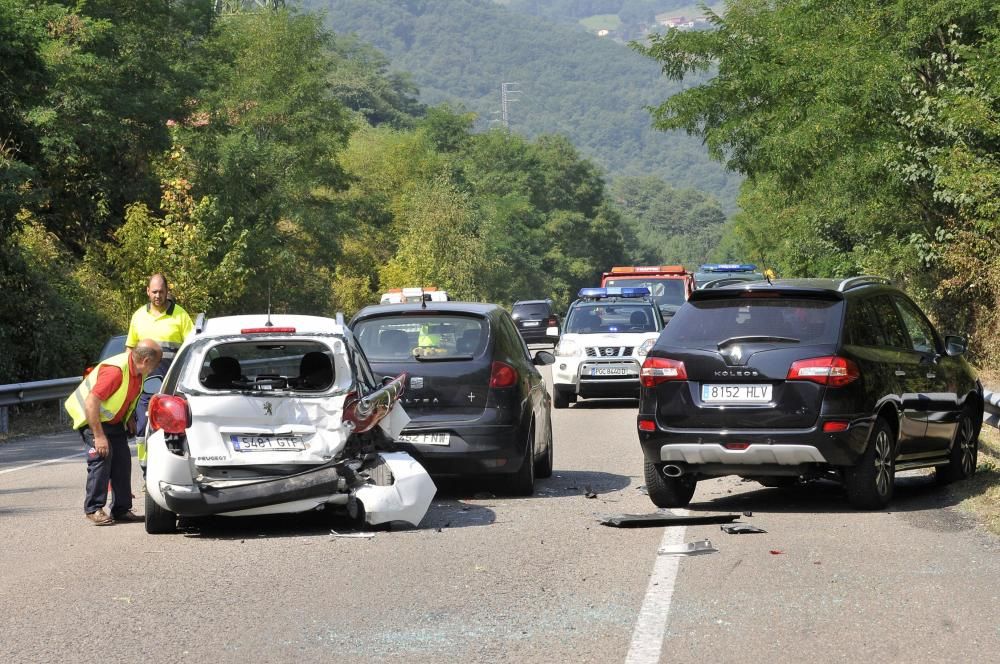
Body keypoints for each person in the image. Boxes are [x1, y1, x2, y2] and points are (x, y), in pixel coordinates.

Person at [64, 339, 163, 525]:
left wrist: (130, 417)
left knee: (122, 462)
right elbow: (91, 402)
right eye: (157, 363)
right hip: (93, 421)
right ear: (146, 361)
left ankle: (121, 509)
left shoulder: (138, 371)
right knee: (101, 458)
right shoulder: (116, 371)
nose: (158, 367)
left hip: (114, 422)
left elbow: (126, 396)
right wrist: (99, 436)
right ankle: (93, 509)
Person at [125, 273, 194, 479]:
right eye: (154, 292)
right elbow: (130, 350)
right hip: (144, 388)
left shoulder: (180, 316)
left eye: (161, 291)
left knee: (174, 431)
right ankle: (148, 475)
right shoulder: (138, 316)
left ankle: (176, 475)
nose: (157, 295)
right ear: (148, 292)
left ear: (167, 292)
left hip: (172, 387)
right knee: (142, 431)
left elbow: (192, 349)